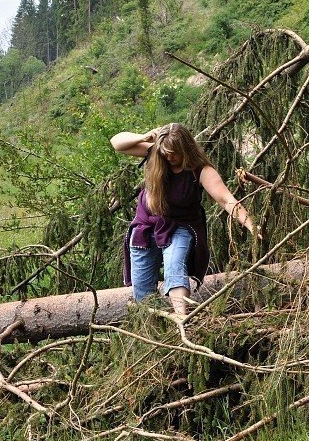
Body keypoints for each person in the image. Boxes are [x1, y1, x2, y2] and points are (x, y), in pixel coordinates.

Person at [110, 122, 257, 315]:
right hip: (144, 229)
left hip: (180, 227)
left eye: (174, 153)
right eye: (165, 152)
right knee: (143, 293)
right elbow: (117, 143)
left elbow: (226, 200)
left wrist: (251, 225)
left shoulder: (200, 171)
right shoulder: (156, 153)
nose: (169, 157)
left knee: (174, 267)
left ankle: (182, 318)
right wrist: (144, 137)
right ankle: (150, 327)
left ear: (185, 149)